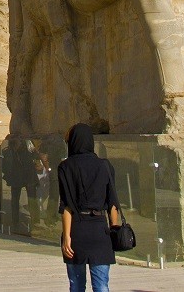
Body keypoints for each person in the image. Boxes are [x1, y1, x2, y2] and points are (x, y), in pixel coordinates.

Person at [58, 123, 120, 292]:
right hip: (100, 230)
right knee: (101, 286)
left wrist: (67, 237)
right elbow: (113, 204)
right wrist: (114, 231)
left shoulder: (65, 167)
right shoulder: (104, 166)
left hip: (77, 230)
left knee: (76, 286)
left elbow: (66, 207)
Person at [1, 135, 41, 234]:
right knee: (18, 199)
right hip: (19, 175)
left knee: (30, 198)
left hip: (26, 174)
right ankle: (17, 222)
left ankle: (34, 221)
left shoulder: (26, 143)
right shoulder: (12, 147)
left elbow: (35, 155)